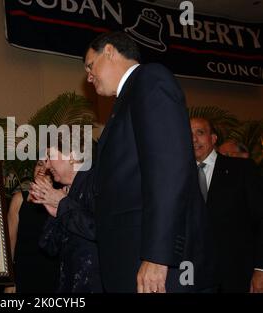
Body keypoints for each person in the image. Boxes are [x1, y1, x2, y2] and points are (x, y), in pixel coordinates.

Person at [84, 31, 215, 292]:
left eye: (90, 65)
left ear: (109, 51)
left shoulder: (149, 79)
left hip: (153, 263)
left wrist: (158, 255)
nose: (88, 76)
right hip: (130, 257)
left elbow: (168, 169)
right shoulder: (127, 100)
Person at [190, 117, 263, 292]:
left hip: (235, 275)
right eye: (188, 134)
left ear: (213, 138)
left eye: (200, 132)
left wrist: (260, 269)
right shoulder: (178, 175)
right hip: (191, 275)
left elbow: (261, 219)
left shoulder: (242, 169)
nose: (193, 139)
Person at [30, 136, 102, 293]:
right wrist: (55, 211)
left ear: (72, 156)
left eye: (50, 156)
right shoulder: (65, 192)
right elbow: (48, 247)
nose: (47, 165)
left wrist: (63, 204)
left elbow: (102, 230)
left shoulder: (98, 179)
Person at [4, 160, 59, 293]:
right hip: (23, 276)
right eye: (40, 164)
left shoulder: (61, 202)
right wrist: (9, 281)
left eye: (48, 165)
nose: (42, 168)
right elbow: (9, 243)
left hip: (53, 279)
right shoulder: (19, 199)